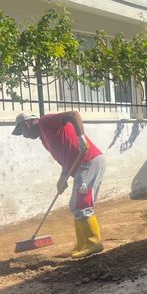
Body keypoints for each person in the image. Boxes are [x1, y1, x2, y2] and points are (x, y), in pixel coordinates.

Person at [12, 111, 106, 259]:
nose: (24, 136)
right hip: (82, 165)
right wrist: (62, 178)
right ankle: (82, 245)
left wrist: (81, 138)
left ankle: (93, 244)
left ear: (26, 124)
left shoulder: (45, 122)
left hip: (89, 161)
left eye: (22, 131)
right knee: (75, 205)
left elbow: (74, 115)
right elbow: (66, 155)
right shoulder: (44, 138)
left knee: (81, 204)